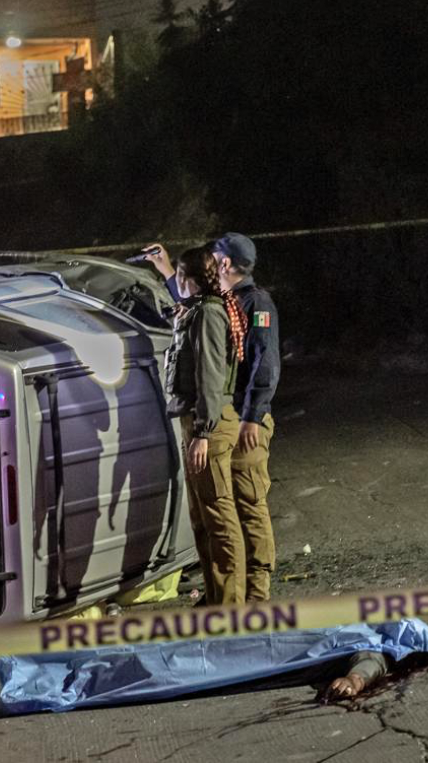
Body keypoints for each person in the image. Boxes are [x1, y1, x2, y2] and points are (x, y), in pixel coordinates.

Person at [146, 234, 280, 603]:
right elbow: (195, 303)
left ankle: (253, 593)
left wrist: (253, 415)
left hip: (239, 419)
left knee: (247, 506)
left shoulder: (255, 302)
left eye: (215, 257)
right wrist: (167, 270)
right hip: (223, 416)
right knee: (223, 510)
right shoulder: (220, 302)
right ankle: (226, 592)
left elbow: (262, 364)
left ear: (225, 264)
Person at [164, 245, 248, 605]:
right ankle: (215, 599)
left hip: (208, 426)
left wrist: (202, 433)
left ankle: (231, 607)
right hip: (195, 422)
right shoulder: (195, 311)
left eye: (178, 275)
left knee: (220, 518)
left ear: (188, 278)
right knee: (203, 518)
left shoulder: (209, 315)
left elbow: (210, 378)